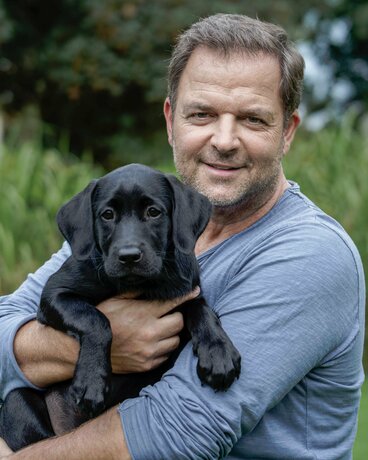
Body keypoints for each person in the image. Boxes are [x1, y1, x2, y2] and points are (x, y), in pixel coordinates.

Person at [0, 13, 365, 460]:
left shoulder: (308, 254)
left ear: (287, 132)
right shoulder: (116, 222)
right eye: (202, 114)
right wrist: (103, 342)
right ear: (171, 119)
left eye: (252, 119)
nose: (224, 139)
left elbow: (176, 435)